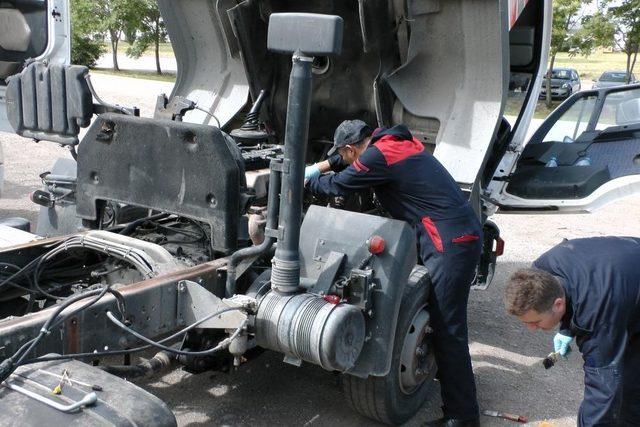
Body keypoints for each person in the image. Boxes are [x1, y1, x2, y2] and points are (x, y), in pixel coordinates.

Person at [306, 119, 483, 426]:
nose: (342, 158)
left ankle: (463, 418)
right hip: (452, 230)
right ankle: (453, 388)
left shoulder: (376, 157)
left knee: (449, 330)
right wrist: (321, 165)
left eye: (343, 153)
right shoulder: (389, 142)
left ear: (352, 148)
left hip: (449, 240)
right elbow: (342, 160)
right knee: (445, 323)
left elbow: (336, 185)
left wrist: (307, 179)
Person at [505, 236, 640, 426]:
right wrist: (567, 328)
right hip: (625, 268)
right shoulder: (539, 272)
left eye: (535, 322)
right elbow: (569, 290)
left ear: (558, 304)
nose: (531, 329)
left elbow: (601, 388)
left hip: (623, 285)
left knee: (624, 377)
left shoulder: (594, 316)